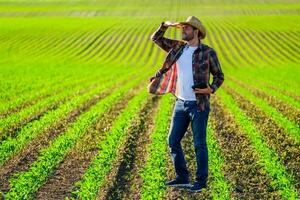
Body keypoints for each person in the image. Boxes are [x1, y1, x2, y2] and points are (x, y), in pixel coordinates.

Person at [148, 16, 224, 192]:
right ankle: (182, 176)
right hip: (180, 103)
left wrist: (211, 90)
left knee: (199, 144)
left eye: (187, 29)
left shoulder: (207, 52)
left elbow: (219, 76)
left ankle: (200, 181)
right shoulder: (178, 48)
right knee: (173, 140)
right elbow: (156, 39)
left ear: (196, 32)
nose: (183, 31)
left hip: (199, 105)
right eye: (183, 28)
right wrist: (164, 26)